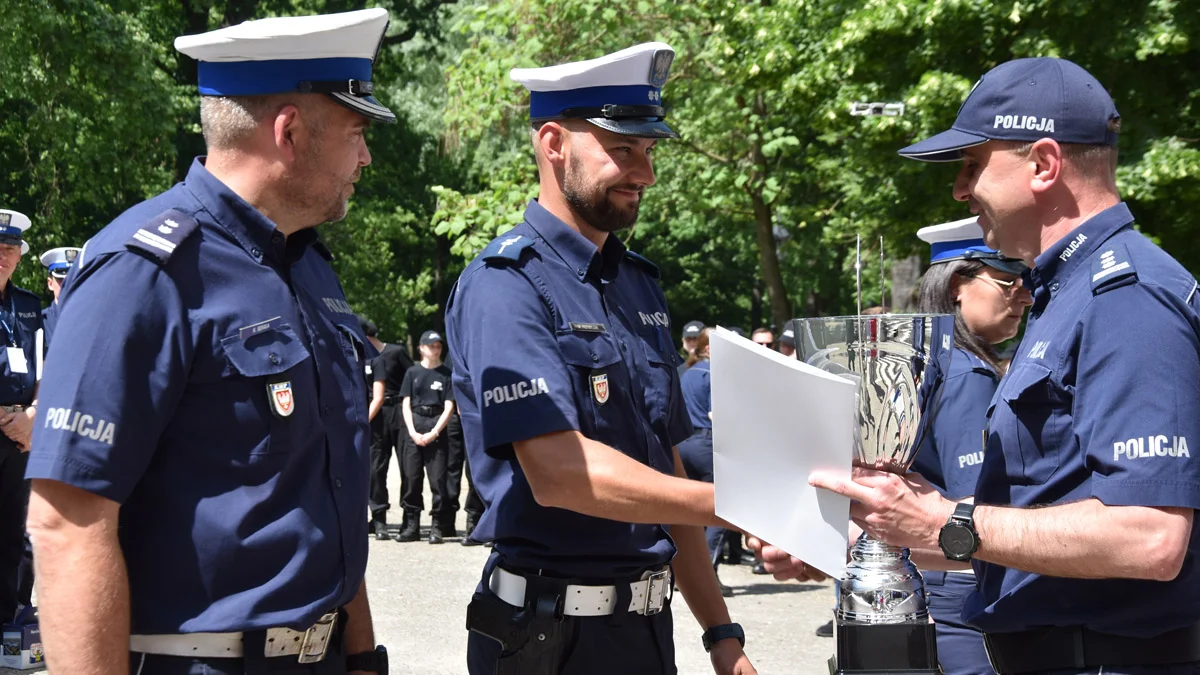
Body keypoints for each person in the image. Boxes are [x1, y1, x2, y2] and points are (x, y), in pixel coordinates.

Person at [760, 57, 1200, 675]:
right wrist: (871, 538)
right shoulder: (1068, 293)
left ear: (1044, 165)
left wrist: (947, 520)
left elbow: (1150, 536)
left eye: (973, 165)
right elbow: (1029, 533)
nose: (960, 189)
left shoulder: (1125, 296)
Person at [24, 10, 394, 675]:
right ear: (289, 130)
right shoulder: (146, 272)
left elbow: (323, 483)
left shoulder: (308, 267)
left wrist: (363, 652)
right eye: (357, 131)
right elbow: (66, 523)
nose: (366, 156)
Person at [446, 43, 756, 675]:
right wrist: (744, 504)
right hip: (546, 640)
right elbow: (559, 472)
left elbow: (665, 472)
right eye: (622, 150)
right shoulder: (506, 284)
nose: (644, 172)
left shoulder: (638, 283)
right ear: (553, 143)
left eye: (647, 151)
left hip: (645, 633)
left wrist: (722, 633)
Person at [905, 217, 1032, 675]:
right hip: (960, 583)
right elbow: (975, 502)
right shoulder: (968, 374)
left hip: (936, 580)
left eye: (1028, 279)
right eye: (1008, 280)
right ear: (958, 284)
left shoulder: (933, 360)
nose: (1026, 294)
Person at [0, 210, 41, 626]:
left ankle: (5, 625)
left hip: (21, 436)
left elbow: (44, 369)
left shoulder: (28, 306)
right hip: (7, 423)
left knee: (12, 536)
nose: (3, 254)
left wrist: (30, 415)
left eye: (10, 248)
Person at [677, 330, 732, 597]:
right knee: (721, 509)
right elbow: (715, 414)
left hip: (683, 445)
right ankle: (706, 573)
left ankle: (685, 571)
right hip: (706, 443)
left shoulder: (688, 373)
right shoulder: (713, 375)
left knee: (690, 511)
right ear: (708, 349)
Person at [398, 329, 455, 544]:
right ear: (421, 348)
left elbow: (449, 406)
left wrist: (434, 432)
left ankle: (437, 526)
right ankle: (412, 524)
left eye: (438, 345)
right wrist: (412, 432)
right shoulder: (412, 373)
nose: (436, 349)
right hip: (414, 422)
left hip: (436, 424)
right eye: (431, 345)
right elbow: (405, 403)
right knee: (411, 478)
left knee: (438, 480)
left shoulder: (446, 374)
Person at [37, 246, 81, 348]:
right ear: (50, 283)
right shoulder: (40, 322)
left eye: (73, 279)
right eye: (61, 280)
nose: (67, 285)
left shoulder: (91, 320)